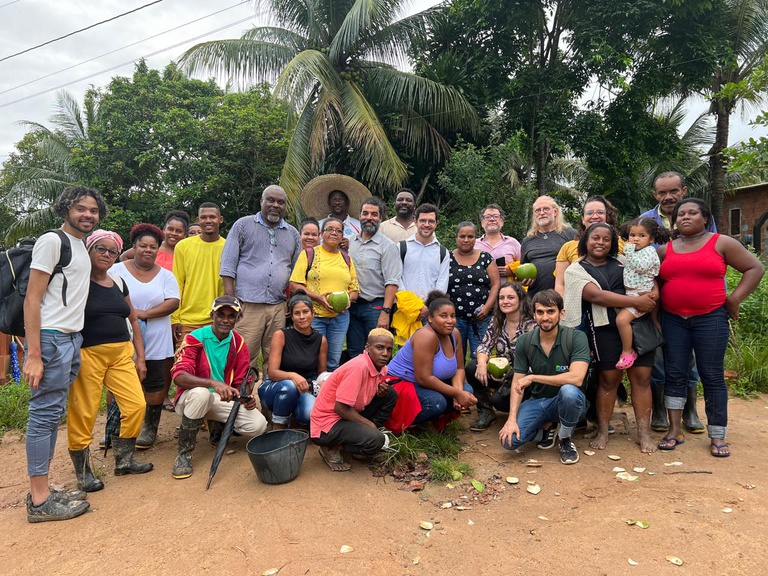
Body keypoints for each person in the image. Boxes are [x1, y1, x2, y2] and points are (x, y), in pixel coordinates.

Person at [23, 186, 106, 523]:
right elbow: (32, 298)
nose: (87, 214)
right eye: (80, 208)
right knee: (43, 415)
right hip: (51, 339)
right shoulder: (52, 241)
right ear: (65, 209)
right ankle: (40, 501)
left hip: (70, 340)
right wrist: (34, 355)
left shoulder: (79, 246)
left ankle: (42, 491)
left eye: (93, 210)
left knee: (52, 412)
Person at [657, 199, 764, 457]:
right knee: (674, 374)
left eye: (692, 213)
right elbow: (653, 283)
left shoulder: (722, 243)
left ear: (705, 218)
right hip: (673, 320)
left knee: (712, 375)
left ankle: (717, 435)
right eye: (680, 214)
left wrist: (733, 299)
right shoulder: (664, 250)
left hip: (711, 319)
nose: (685, 217)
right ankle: (674, 430)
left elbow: (755, 268)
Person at [67, 229, 154, 494]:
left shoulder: (118, 282)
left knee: (137, 405)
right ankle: (83, 473)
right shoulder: (77, 281)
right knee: (84, 412)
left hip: (121, 354)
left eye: (112, 251)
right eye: (100, 249)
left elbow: (133, 320)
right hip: (88, 354)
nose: (106, 254)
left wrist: (140, 356)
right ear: (89, 250)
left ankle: (124, 460)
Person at [562, 223, 658, 453]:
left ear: (613, 243)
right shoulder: (576, 269)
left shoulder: (624, 262)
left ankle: (644, 434)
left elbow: (650, 279)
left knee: (642, 379)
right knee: (608, 380)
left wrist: (654, 294)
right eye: (596, 238)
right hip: (605, 329)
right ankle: (603, 431)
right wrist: (636, 301)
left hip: (639, 325)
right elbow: (597, 296)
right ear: (586, 240)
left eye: (606, 239)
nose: (601, 243)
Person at [171, 296, 268, 479]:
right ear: (212, 315)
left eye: (231, 316)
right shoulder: (194, 338)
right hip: (191, 398)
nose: (225, 320)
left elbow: (241, 381)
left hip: (220, 397)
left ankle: (216, 428)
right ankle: (184, 454)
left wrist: (245, 397)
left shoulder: (238, 343)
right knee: (202, 395)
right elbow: (179, 376)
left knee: (259, 425)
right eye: (220, 314)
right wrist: (212, 383)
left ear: (238, 319)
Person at [498, 290, 591, 465]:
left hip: (568, 402)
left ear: (561, 313)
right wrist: (511, 419)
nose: (545, 317)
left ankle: (564, 438)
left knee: (569, 392)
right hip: (538, 402)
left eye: (550, 311)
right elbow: (517, 383)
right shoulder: (525, 341)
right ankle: (546, 428)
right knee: (509, 441)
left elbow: (577, 378)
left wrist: (533, 378)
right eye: (540, 312)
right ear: (534, 315)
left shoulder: (576, 337)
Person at [110, 223, 180, 449]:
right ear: (134, 246)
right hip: (121, 337)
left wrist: (143, 313)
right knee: (117, 381)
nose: (148, 250)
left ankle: (149, 428)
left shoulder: (166, 276)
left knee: (155, 381)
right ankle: (113, 428)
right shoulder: (116, 271)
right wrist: (130, 317)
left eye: (153, 247)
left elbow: (173, 302)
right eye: (143, 246)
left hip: (157, 337)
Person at [220, 186, 301, 372]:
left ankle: (269, 399)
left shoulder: (293, 233)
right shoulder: (243, 225)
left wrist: (291, 301)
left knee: (275, 358)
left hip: (278, 307)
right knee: (243, 356)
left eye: (281, 202)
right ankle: (240, 398)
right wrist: (231, 299)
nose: (275, 205)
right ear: (261, 201)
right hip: (247, 305)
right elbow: (228, 264)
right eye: (271, 200)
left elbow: (297, 272)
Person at [310, 328, 398, 471]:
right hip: (326, 426)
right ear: (368, 348)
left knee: (390, 394)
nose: (385, 354)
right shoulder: (358, 367)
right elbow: (340, 408)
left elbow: (361, 393)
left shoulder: (381, 368)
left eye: (389, 349)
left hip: (347, 413)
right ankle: (330, 447)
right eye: (379, 348)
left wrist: (377, 392)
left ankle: (361, 446)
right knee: (377, 439)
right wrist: (370, 425)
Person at [386, 291, 477, 427]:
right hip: (402, 385)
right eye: (443, 316)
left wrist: (458, 393)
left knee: (466, 390)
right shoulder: (425, 336)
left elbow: (459, 368)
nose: (450, 321)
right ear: (430, 318)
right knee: (435, 402)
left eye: (453, 316)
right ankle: (407, 423)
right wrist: (457, 393)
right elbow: (424, 378)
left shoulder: (455, 334)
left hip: (428, 383)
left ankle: (434, 418)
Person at [289, 218, 359, 370]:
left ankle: (329, 390)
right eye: (330, 229)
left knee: (333, 360)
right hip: (314, 316)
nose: (334, 233)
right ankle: (311, 390)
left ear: (342, 236)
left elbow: (354, 290)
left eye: (338, 230)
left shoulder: (346, 259)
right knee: (311, 358)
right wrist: (318, 298)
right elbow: (294, 285)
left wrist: (348, 300)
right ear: (322, 233)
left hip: (339, 318)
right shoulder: (309, 254)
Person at [466, 282, 536, 431]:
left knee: (499, 401)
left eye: (510, 297)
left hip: (524, 377)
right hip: (500, 371)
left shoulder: (532, 325)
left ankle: (528, 411)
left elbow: (534, 363)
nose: (505, 301)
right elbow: (484, 345)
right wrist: (482, 363)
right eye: (502, 298)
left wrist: (508, 377)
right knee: (472, 367)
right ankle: (486, 411)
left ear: (521, 299)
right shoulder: (497, 320)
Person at [259, 291, 328, 428]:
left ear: (313, 313)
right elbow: (272, 372)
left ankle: (295, 420)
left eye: (305, 312)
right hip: (275, 387)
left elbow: (322, 371)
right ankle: (278, 426)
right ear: (291, 315)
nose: (302, 317)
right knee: (289, 386)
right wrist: (292, 376)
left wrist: (323, 382)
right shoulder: (281, 335)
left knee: (308, 413)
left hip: (305, 388)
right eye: (297, 313)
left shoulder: (321, 340)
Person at [347, 197, 402, 358]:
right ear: (359, 216)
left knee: (379, 353)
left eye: (374, 214)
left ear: (381, 218)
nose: (369, 217)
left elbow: (392, 282)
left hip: (375, 307)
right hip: (353, 307)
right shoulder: (351, 242)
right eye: (365, 213)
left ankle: (380, 383)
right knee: (355, 352)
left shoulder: (387, 246)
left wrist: (385, 312)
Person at [614, 217, 670, 370]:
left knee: (621, 320)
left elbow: (641, 267)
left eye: (641, 236)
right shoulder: (637, 252)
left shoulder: (649, 252)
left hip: (640, 297)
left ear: (651, 239)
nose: (636, 239)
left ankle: (627, 352)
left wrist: (629, 252)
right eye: (632, 235)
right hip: (632, 295)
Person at [171, 203, 226, 342]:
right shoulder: (183, 246)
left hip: (218, 319)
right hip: (188, 320)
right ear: (198, 219)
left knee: (215, 363)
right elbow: (177, 282)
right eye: (204, 217)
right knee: (185, 363)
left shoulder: (229, 246)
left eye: (212, 217)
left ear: (220, 219)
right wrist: (174, 318)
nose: (208, 220)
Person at [448, 221, 500, 360]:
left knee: (480, 356)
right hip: (455, 318)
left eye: (470, 236)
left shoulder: (485, 258)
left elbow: (496, 284)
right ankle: (457, 382)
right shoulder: (447, 258)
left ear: (475, 238)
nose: (466, 240)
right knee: (455, 355)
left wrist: (487, 308)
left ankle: (477, 382)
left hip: (481, 317)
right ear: (456, 238)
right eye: (462, 236)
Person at [554, 195, 622, 297]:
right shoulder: (568, 247)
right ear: (583, 219)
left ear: (607, 216)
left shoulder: (623, 244)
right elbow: (560, 284)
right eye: (590, 213)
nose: (595, 216)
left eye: (600, 212)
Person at [399, 203, 450, 319]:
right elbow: (397, 279)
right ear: (415, 221)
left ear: (437, 223)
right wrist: (412, 306)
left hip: (430, 312)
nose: (426, 225)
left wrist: (428, 308)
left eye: (431, 221)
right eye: (422, 221)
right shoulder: (401, 247)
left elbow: (441, 284)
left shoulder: (442, 252)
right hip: (404, 311)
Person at [520, 195, 576, 296]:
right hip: (535, 296)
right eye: (537, 210)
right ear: (534, 214)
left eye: (546, 209)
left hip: (565, 295)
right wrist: (524, 280)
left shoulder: (570, 234)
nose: (542, 213)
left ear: (555, 211)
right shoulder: (527, 240)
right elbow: (523, 266)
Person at [119, 210, 189, 270]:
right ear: (164, 229)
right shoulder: (153, 246)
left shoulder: (186, 253)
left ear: (185, 234)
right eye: (170, 229)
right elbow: (124, 257)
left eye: (179, 231)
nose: (173, 233)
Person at [475, 204, 521, 284]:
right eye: (488, 217)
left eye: (496, 216)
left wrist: (512, 271)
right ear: (482, 223)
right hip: (480, 293)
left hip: (506, 293)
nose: (492, 219)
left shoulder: (513, 243)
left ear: (502, 222)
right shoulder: (474, 245)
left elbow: (525, 265)